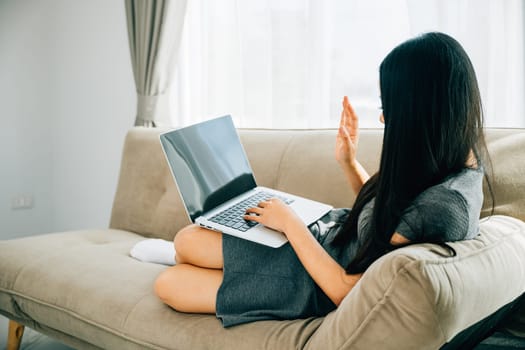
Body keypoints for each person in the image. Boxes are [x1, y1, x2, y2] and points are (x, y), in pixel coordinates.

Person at [154, 32, 491, 327]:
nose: (384, 116)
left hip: (312, 278)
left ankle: (209, 264)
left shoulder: (445, 207)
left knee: (172, 277)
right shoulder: (460, 164)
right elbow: (391, 224)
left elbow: (349, 291)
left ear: (422, 110)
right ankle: (210, 262)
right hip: (328, 239)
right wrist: (348, 163)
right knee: (188, 242)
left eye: (390, 105)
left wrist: (291, 225)